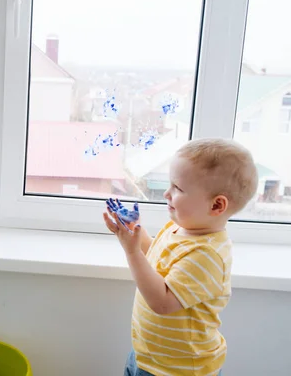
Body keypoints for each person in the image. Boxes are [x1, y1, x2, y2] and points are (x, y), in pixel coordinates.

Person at [103, 138, 258, 376]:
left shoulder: (208, 255)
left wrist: (131, 251)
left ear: (217, 205)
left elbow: (162, 302)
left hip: (178, 370)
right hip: (149, 357)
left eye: (178, 188)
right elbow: (156, 257)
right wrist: (135, 232)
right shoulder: (180, 228)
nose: (167, 193)